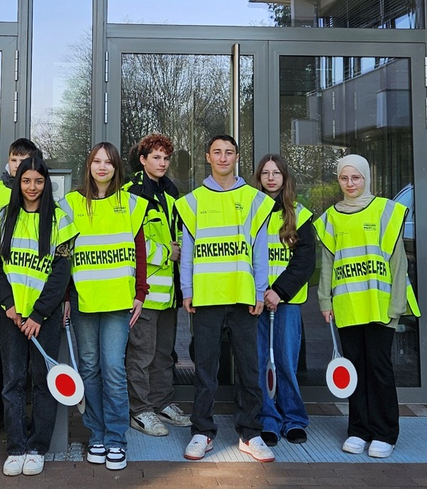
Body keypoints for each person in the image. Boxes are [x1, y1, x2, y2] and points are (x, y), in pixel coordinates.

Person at [175, 135, 276, 462]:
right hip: (205, 296)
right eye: (217, 152)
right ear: (208, 157)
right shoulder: (192, 201)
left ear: (236, 157)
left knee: (249, 369)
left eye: (228, 152)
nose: (222, 157)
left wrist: (261, 290)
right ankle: (202, 432)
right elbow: (187, 251)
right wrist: (187, 289)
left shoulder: (253, 199)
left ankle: (251, 433)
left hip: (243, 296)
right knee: (205, 369)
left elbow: (261, 252)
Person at [314, 154, 420, 459]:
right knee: (355, 370)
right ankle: (358, 430)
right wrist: (325, 300)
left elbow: (398, 263)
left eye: (356, 178)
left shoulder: (386, 210)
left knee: (379, 368)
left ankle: (385, 433)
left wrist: (397, 304)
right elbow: (327, 264)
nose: (350, 184)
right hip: (347, 304)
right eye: (344, 178)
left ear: (366, 178)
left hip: (380, 304)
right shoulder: (331, 217)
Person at [58, 142, 149, 471]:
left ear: (116, 168)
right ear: (88, 165)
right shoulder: (71, 203)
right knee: (90, 369)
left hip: (118, 301)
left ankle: (116, 439)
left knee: (113, 370)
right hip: (83, 300)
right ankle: (96, 435)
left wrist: (141, 292)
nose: (102, 167)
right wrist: (66, 296)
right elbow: (63, 254)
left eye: (108, 162)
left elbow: (140, 251)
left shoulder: (132, 204)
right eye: (96, 161)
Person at [0, 157, 78, 477]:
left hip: (45, 317)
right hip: (11, 315)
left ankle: (38, 446)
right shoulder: (2, 217)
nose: (32, 188)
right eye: (26, 181)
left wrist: (39, 313)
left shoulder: (59, 222)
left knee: (43, 381)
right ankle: (15, 447)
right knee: (12, 382)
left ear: (46, 183)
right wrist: (9, 304)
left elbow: (61, 272)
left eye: (38, 181)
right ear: (18, 182)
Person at [0, 138, 43, 437]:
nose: (19, 165)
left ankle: (27, 416)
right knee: (2, 360)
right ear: (8, 161)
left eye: (26, 160)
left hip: (33, 293)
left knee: (30, 361)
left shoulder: (44, 193)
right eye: (15, 159)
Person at [123, 133, 190, 437]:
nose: (162, 163)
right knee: (141, 355)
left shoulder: (172, 192)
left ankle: (162, 403)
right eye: (156, 157)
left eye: (166, 158)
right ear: (142, 159)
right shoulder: (130, 193)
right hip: (145, 292)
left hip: (169, 293)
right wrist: (166, 252)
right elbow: (125, 242)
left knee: (165, 355)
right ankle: (139, 410)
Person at [251, 153, 316, 447]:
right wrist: (260, 291)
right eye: (265, 173)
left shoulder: (299, 214)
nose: (271, 177)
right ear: (259, 178)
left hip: (285, 302)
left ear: (284, 177)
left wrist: (279, 291)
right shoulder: (251, 212)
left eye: (276, 172)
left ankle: (294, 419)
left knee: (286, 363)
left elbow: (304, 262)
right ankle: (268, 420)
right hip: (257, 300)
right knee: (262, 362)